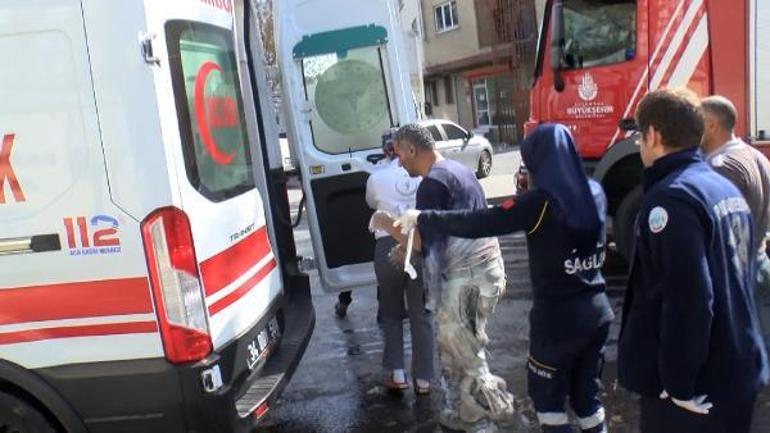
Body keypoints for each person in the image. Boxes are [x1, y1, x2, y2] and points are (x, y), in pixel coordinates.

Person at [396, 124, 613, 433]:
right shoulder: (595, 192)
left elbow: (483, 222)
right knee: (588, 403)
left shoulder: (539, 202)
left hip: (557, 322)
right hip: (597, 313)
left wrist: (424, 217)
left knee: (550, 406)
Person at [617, 88, 769, 433]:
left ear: (653, 135)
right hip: (736, 369)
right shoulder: (720, 187)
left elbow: (690, 300)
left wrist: (678, 384)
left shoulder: (671, 200)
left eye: (640, 136)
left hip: (698, 390)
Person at [371, 124, 514, 432]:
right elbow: (450, 231)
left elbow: (422, 242)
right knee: (460, 351)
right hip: (487, 270)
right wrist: (403, 248)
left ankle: (498, 416)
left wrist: (385, 222)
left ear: (411, 150)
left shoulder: (432, 184)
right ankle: (470, 415)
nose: (399, 163)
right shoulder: (457, 171)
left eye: (399, 154)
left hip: (468, 278)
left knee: (466, 356)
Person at [365, 128, 434, 394]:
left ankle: (397, 374)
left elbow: (372, 203)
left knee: (391, 312)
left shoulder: (376, 177)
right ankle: (424, 380)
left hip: (386, 245)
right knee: (422, 314)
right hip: (417, 244)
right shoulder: (424, 175)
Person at [700, 95, 770, 350]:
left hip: (738, 273)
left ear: (710, 126)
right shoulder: (755, 156)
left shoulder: (721, 166)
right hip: (759, 262)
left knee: (744, 353)